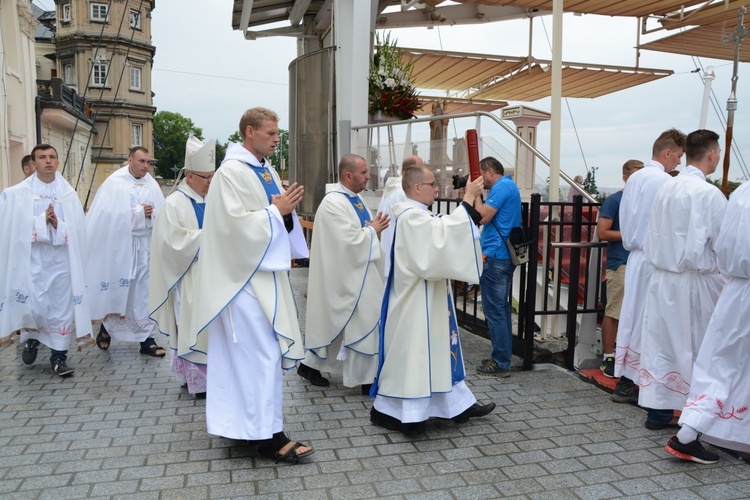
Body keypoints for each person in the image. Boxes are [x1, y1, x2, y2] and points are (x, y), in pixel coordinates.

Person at [186, 107, 313, 463]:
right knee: (258, 356)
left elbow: (272, 217)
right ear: (249, 132)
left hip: (264, 278)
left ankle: (244, 428)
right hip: (240, 283)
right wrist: (276, 212)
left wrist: (283, 212)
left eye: (276, 133)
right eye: (271, 133)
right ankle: (269, 436)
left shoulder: (266, 170)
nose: (276, 139)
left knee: (252, 358)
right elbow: (231, 228)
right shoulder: (230, 173)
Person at [370, 165, 495, 435]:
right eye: (432, 184)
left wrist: (470, 206)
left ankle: (456, 405)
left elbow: (443, 230)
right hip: (414, 301)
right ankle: (396, 413)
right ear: (416, 188)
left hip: (430, 297)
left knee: (437, 351)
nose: (437, 188)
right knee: (415, 355)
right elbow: (436, 242)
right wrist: (465, 200)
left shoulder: (420, 215)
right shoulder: (409, 216)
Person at [639, 129, 727, 431]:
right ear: (712, 154)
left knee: (662, 344)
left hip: (662, 276)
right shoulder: (709, 194)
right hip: (694, 280)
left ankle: (658, 412)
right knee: (697, 346)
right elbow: (723, 244)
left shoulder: (667, 187)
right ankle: (692, 416)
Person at [665, 180, 750, 464]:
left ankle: (689, 432)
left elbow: (724, 240)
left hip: (736, 289)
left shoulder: (742, 192)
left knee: (720, 364)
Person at [298, 154, 389, 390]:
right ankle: (365, 380)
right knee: (360, 321)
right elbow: (346, 242)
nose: (369, 176)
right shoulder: (333, 203)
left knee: (351, 321)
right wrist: (371, 231)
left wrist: (371, 230)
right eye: (364, 173)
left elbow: (360, 233)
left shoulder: (355, 199)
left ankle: (310, 365)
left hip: (360, 270)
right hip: (344, 274)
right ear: (348, 175)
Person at [0, 144, 91, 376]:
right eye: (42, 157)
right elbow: (12, 228)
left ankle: (59, 357)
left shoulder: (68, 193)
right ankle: (32, 338)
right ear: (33, 163)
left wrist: (57, 223)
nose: (48, 161)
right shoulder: (19, 193)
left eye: (52, 157)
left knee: (60, 307)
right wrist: (41, 220)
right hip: (33, 260)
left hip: (61, 261)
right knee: (35, 304)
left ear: (58, 162)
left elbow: (79, 230)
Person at [613, 128, 686, 405]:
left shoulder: (635, 178)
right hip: (653, 258)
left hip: (634, 255)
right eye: (678, 156)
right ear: (667, 152)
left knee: (632, 316)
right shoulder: (664, 182)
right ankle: (637, 381)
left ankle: (626, 377)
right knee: (648, 320)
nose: (679, 162)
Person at [149, 136, 216, 396]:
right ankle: (197, 381)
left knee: (210, 328)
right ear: (189, 177)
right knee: (192, 327)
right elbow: (171, 243)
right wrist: (209, 237)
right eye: (205, 177)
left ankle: (213, 378)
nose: (211, 182)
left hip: (211, 276)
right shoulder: (174, 203)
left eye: (212, 176)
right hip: (187, 276)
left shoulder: (213, 199)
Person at [85, 146, 166, 357]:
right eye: (141, 161)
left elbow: (163, 214)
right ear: (130, 160)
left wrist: (152, 214)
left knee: (144, 293)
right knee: (123, 290)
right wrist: (139, 213)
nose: (145, 166)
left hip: (145, 246)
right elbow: (107, 217)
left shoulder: (152, 185)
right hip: (123, 246)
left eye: (148, 162)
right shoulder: (114, 183)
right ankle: (107, 328)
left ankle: (147, 340)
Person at [474, 157, 522, 377]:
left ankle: (501, 361)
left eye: (481, 175)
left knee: (495, 311)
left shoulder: (502, 186)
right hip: (500, 256)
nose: (479, 179)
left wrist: (473, 194)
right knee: (500, 310)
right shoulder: (508, 186)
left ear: (489, 171)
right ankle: (501, 356)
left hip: (496, 257)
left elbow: (482, 217)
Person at [596, 159, 643, 377]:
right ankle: (608, 357)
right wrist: (633, 236)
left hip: (640, 264)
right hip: (621, 264)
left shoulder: (644, 201)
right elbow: (603, 232)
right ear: (625, 178)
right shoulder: (614, 201)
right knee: (615, 311)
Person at [377, 155, 424, 278]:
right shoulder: (404, 193)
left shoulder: (391, 190)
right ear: (412, 170)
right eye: (421, 168)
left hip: (387, 254)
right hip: (399, 259)